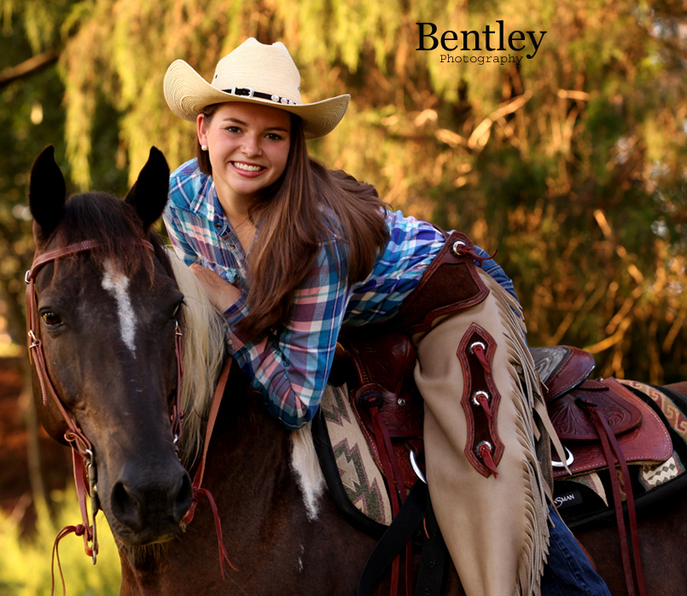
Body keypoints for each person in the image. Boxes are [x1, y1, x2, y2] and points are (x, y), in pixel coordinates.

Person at [162, 38, 611, 596]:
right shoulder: (181, 196)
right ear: (203, 130)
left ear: (293, 145)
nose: (251, 149)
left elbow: (297, 400)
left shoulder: (315, 236)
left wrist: (228, 302)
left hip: (442, 298)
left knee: (480, 467)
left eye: (273, 134)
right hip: (352, 319)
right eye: (234, 128)